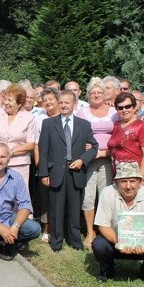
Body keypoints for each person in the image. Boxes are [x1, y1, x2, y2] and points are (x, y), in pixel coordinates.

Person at [38, 91, 98, 251]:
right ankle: (56, 241)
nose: (64, 105)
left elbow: (94, 147)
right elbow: (43, 150)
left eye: (67, 103)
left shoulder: (84, 125)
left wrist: (82, 160)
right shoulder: (49, 124)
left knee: (74, 207)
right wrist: (43, 173)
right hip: (55, 172)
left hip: (75, 172)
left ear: (74, 104)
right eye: (61, 102)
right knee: (56, 208)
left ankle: (75, 240)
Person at [92, 162, 144, 283]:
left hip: (142, 245)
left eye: (132, 181)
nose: (128, 186)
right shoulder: (107, 193)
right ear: (116, 182)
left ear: (140, 182)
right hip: (115, 242)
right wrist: (119, 242)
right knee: (99, 244)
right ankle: (107, 271)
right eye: (123, 181)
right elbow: (102, 225)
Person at [76, 77, 119, 250]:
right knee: (88, 197)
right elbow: (76, 135)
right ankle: (90, 232)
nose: (96, 95)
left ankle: (104, 232)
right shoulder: (82, 113)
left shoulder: (114, 112)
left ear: (105, 94)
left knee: (105, 196)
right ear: (88, 95)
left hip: (108, 160)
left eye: (99, 92)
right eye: (92, 93)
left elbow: (118, 134)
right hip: (89, 161)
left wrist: (105, 151)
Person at [0, 84, 36, 186]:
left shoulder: (29, 118)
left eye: (10, 100)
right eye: (5, 99)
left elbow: (30, 144)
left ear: (19, 103)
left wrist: (10, 152)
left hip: (19, 164)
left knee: (18, 196)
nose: (6, 103)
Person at [35, 87, 61, 242]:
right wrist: (40, 163)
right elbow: (37, 143)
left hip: (62, 162)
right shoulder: (40, 118)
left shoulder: (66, 116)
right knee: (46, 197)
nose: (48, 102)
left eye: (51, 99)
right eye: (45, 100)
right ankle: (47, 227)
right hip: (46, 160)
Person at [107, 92, 144, 178]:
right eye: (120, 108)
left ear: (134, 107)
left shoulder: (142, 126)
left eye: (128, 106)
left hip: (134, 176)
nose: (124, 110)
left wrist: (141, 178)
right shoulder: (116, 126)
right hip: (117, 175)